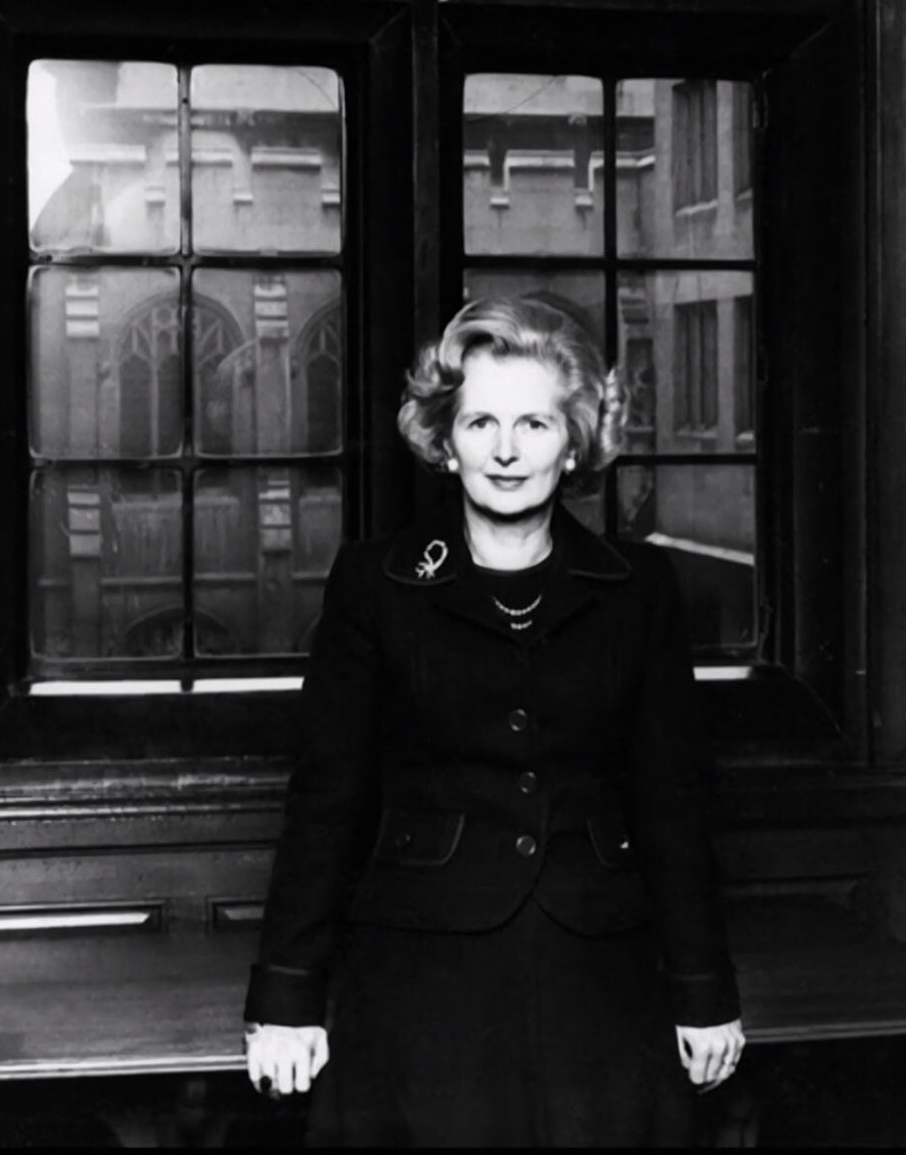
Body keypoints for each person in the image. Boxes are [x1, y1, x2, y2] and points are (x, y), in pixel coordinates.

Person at [242, 295, 745, 1147]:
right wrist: (286, 999)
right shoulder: (374, 584)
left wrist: (703, 993)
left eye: (534, 424)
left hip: (598, 971)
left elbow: (673, 801)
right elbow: (327, 800)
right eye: (480, 423)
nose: (505, 450)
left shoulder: (639, 590)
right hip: (419, 971)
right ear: (445, 442)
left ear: (574, 443)